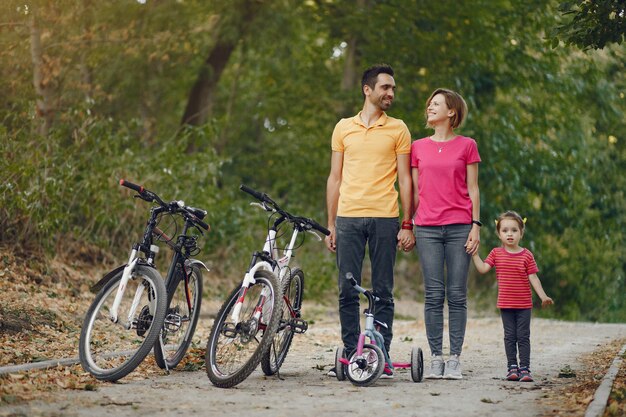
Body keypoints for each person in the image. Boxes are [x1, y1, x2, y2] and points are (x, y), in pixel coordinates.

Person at [325, 64, 415, 378]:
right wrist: (331, 223)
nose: (390, 93)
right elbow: (335, 178)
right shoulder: (343, 127)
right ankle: (353, 357)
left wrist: (408, 222)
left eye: (392, 89)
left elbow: (405, 180)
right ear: (368, 90)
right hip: (348, 218)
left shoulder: (398, 128)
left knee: (383, 291)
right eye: (385, 88)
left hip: (385, 218)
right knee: (346, 290)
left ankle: (382, 354)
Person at [410, 88, 481, 380]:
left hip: (459, 226)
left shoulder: (467, 145)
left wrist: (476, 225)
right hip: (426, 227)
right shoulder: (417, 147)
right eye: (429, 103)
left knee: (456, 294)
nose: (430, 107)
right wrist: (406, 224)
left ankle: (455, 359)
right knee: (433, 294)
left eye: (436, 104)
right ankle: (436, 357)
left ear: (451, 112)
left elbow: (474, 189)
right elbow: (415, 190)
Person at [472, 211, 554, 382]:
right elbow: (483, 269)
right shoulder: (496, 253)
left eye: (514, 230)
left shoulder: (526, 255)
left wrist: (543, 296)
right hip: (506, 304)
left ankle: (525, 369)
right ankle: (512, 368)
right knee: (509, 336)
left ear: (521, 233)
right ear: (499, 233)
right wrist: (474, 254)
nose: (510, 234)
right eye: (505, 230)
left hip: (524, 305)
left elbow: (533, 277)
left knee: (523, 336)